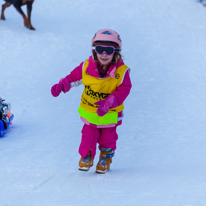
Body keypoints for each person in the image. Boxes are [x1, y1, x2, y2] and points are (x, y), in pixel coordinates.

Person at [51, 29, 132, 174]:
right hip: (90, 112)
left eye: (109, 50)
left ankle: (105, 157)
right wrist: (62, 85)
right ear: (94, 50)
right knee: (88, 136)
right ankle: (87, 155)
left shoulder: (122, 72)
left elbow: (124, 90)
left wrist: (109, 102)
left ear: (116, 52)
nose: (104, 54)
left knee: (108, 138)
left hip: (109, 114)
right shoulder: (86, 66)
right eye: (100, 49)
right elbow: (73, 78)